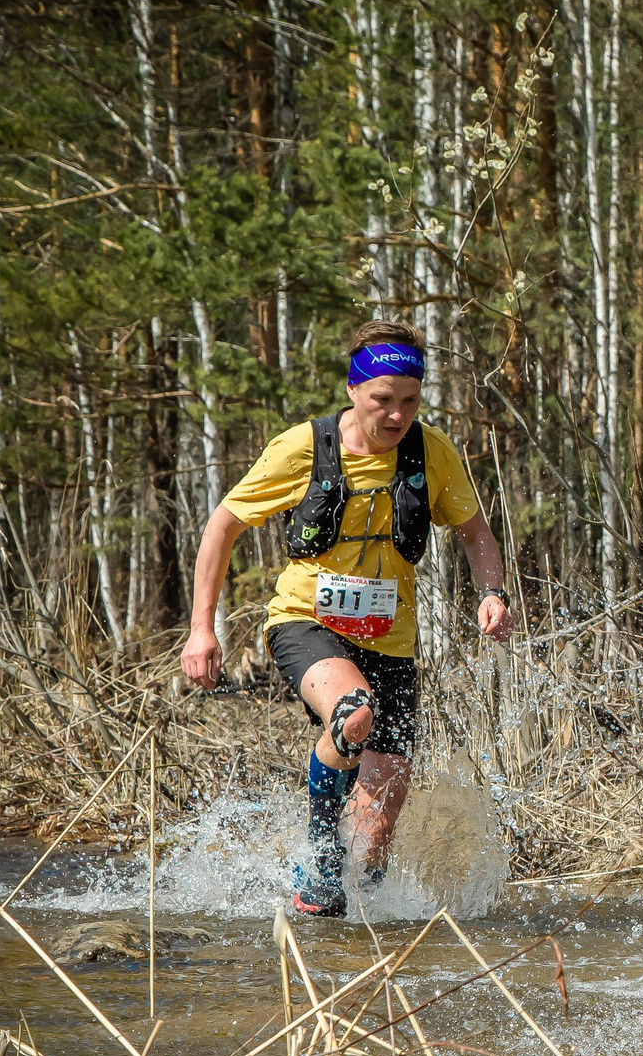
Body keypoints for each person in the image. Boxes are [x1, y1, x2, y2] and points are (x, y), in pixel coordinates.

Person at [179, 320, 513, 919]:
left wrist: (491, 592)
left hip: (391, 638)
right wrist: (203, 626)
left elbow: (476, 533)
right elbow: (222, 525)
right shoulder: (304, 448)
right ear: (354, 390)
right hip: (306, 622)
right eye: (384, 399)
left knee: (385, 801)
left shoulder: (429, 451)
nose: (397, 415)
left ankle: (350, 915)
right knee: (351, 713)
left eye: (410, 401)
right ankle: (322, 852)